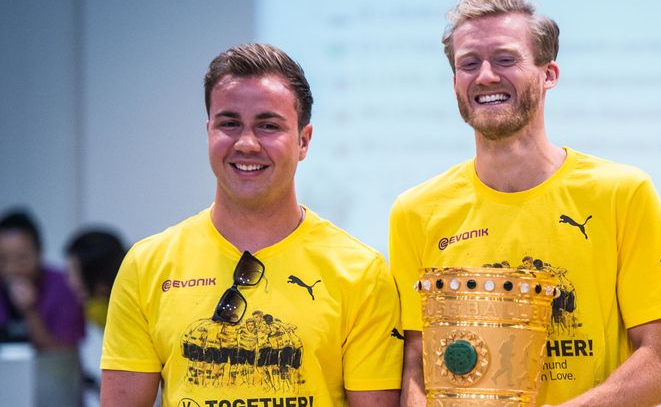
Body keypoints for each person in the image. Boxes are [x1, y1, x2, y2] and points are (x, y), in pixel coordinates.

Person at [389, 0, 661, 407]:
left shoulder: (621, 192)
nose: (486, 76)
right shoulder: (416, 212)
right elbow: (417, 365)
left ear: (549, 74)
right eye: (468, 64)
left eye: (506, 59)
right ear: (455, 81)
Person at [100, 43, 404, 406]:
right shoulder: (146, 265)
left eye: (268, 126)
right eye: (229, 124)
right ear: (208, 131)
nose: (246, 143)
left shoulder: (362, 273)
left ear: (303, 141)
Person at [0, 208, 86, 406]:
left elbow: (60, 357)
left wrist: (29, 311)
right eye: (3, 260)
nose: (12, 268)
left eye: (21, 259)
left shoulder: (65, 286)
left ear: (39, 252)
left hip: (57, 395)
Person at [65, 228, 128, 406]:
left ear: (100, 281)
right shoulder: (95, 308)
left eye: (75, 273)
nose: (70, 281)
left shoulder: (132, 308)